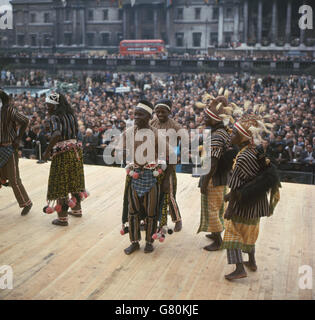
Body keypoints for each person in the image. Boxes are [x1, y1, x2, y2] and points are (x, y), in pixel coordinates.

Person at [222, 114, 281, 280]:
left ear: (243, 137)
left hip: (242, 203)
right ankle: (252, 262)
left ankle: (239, 268)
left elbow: (234, 185)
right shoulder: (257, 149)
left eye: (234, 133)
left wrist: (230, 208)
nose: (231, 136)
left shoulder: (242, 156)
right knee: (250, 232)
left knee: (232, 234)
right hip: (257, 202)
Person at [120, 100, 173, 255]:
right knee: (132, 211)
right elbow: (121, 150)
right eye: (135, 114)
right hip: (134, 176)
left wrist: (165, 181)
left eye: (140, 114)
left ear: (149, 116)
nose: (136, 117)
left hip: (152, 177)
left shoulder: (156, 134)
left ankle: (149, 241)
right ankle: (134, 242)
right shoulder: (129, 132)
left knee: (151, 212)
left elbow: (172, 156)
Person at [196, 91, 237, 251]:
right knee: (216, 206)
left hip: (214, 177)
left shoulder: (217, 136)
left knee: (213, 207)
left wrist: (205, 182)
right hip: (220, 176)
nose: (204, 119)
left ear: (216, 119)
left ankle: (218, 240)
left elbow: (212, 163)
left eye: (207, 117)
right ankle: (214, 233)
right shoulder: (222, 131)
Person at [42, 93, 87, 226]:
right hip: (75, 152)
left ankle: (62, 218)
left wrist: (47, 150)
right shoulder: (71, 115)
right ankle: (76, 210)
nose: (46, 106)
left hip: (62, 154)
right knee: (74, 182)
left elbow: (56, 134)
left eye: (48, 104)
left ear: (54, 105)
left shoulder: (55, 117)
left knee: (61, 185)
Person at [150, 99, 182, 232]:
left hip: (168, 165)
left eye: (163, 111)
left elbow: (179, 148)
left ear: (169, 111)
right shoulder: (152, 123)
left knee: (169, 194)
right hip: (154, 164)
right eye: (157, 111)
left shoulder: (175, 127)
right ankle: (159, 221)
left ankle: (177, 219)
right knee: (156, 194)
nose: (160, 114)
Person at [0, 89, 32, 215]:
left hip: (9, 149)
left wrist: (18, 138)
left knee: (14, 180)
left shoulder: (9, 110)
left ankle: (26, 203)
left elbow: (25, 120)